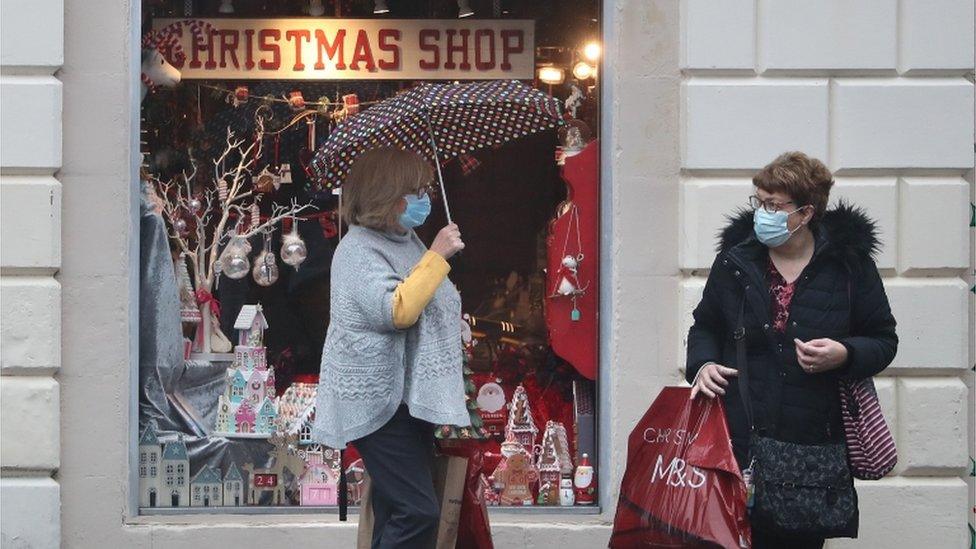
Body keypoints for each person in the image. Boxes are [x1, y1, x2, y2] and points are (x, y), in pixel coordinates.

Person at [685, 151, 898, 548]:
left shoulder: (848, 267)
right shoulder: (735, 262)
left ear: (806, 212)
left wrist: (845, 354)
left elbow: (883, 339)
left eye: (773, 205)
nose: (762, 212)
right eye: (759, 201)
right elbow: (706, 325)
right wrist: (703, 364)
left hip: (809, 452)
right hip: (737, 439)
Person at [311, 147, 471, 549]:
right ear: (386, 195)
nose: (424, 198)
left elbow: (431, 299)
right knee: (418, 511)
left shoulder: (406, 240)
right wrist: (437, 255)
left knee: (393, 508)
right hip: (375, 400)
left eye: (426, 189)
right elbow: (396, 311)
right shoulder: (358, 250)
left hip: (406, 399)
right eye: (415, 190)